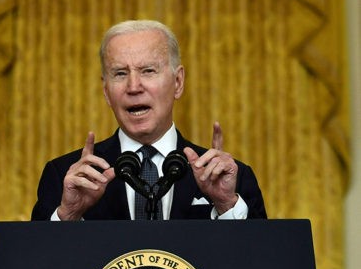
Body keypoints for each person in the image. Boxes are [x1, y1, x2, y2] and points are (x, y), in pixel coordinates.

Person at [31, 20, 267, 221]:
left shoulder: (231, 177)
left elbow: (262, 263)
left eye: (148, 71)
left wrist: (226, 205)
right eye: (120, 74)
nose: (134, 87)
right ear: (105, 91)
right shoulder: (65, 177)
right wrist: (68, 215)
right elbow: (37, 267)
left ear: (178, 82)